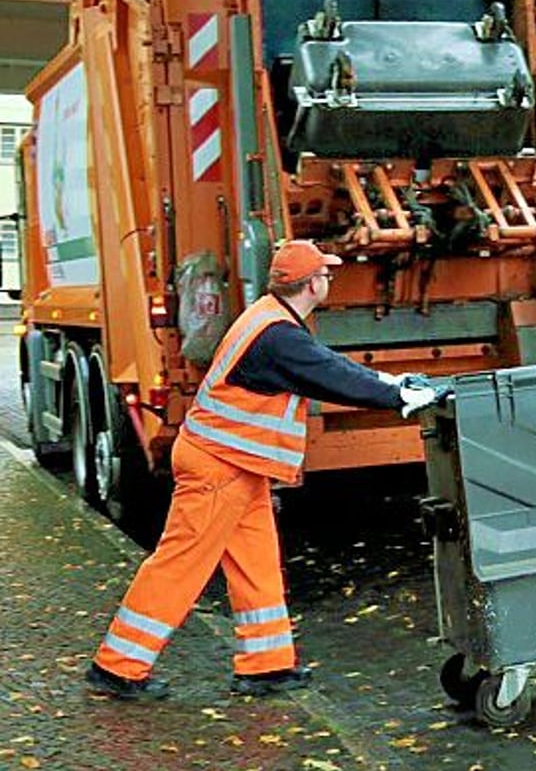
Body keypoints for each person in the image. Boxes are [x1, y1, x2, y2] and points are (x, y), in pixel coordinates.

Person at [86, 240, 440, 700]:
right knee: (180, 566)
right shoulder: (276, 334)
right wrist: (396, 398)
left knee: (256, 564)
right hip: (219, 465)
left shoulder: (272, 319)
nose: (329, 280)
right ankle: (117, 667)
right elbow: (329, 376)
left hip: (237, 465)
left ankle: (265, 666)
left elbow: (326, 365)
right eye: (326, 274)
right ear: (312, 283)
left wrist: (390, 382)